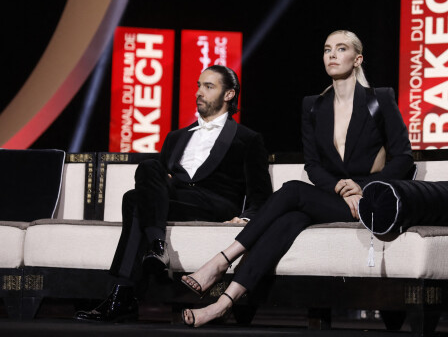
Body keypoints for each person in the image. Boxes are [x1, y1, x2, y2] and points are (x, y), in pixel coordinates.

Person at [180, 30, 414, 327]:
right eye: (327, 48)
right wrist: (341, 188)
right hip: (334, 196)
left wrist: (363, 187)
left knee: (291, 191)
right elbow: (313, 166)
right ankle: (223, 304)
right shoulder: (313, 105)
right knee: (287, 221)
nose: (331, 54)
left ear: (357, 59)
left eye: (341, 49)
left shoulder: (380, 99)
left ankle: (220, 261)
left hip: (368, 198)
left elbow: (404, 158)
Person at [74, 65, 273, 322]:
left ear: (229, 95)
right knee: (146, 172)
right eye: (199, 85)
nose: (199, 92)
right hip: (177, 198)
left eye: (208, 86)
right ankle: (157, 248)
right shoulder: (176, 136)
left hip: (215, 204)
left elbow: (261, 194)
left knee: (134, 200)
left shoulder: (248, 139)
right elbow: (157, 181)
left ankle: (123, 293)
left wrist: (246, 219)